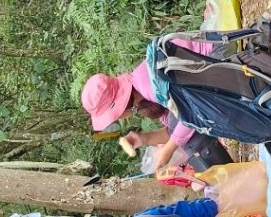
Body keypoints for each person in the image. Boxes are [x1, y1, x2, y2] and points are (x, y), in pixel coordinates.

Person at [80, 39, 234, 173]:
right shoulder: (141, 97)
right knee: (184, 134)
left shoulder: (148, 85)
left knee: (192, 139)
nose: (117, 119)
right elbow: (173, 128)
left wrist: (168, 149)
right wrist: (143, 138)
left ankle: (231, 179)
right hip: (208, 79)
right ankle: (226, 177)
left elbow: (191, 113)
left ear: (118, 107)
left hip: (219, 58)